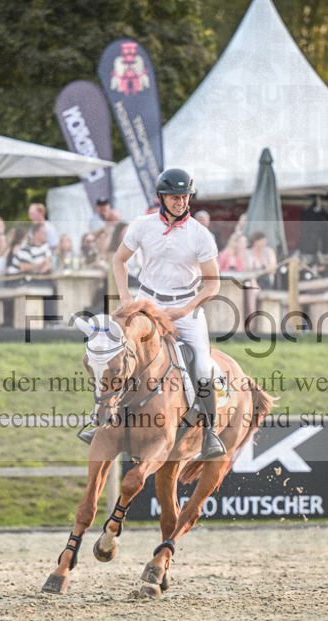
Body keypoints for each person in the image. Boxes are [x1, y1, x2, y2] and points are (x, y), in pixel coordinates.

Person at [78, 168, 225, 459]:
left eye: (184, 197)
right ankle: (101, 420)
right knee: (114, 353)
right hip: (146, 306)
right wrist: (126, 299)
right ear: (161, 197)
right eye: (174, 197)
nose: (180, 202)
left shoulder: (200, 234)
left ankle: (209, 434)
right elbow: (119, 260)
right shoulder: (142, 225)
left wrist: (184, 309)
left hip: (185, 309)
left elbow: (214, 283)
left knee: (203, 368)